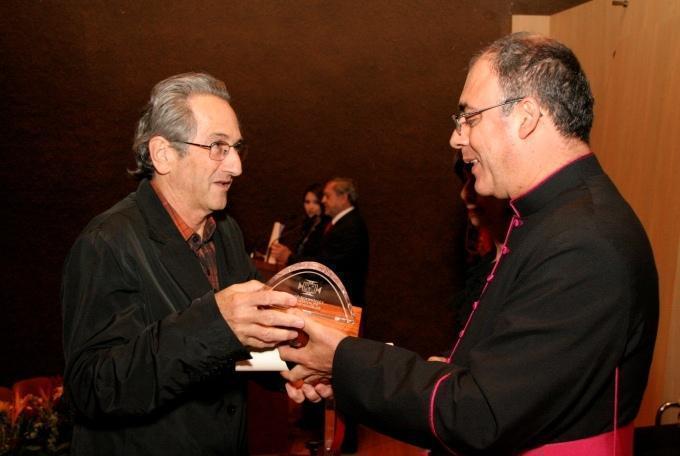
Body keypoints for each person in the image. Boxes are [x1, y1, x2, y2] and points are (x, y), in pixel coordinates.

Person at [279, 33, 659, 455]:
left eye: (469, 118)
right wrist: (348, 376)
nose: (456, 139)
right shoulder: (553, 217)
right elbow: (495, 374)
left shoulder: (585, 242)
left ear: (526, 116)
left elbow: (481, 413)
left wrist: (343, 360)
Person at [61, 72, 304, 455]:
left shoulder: (226, 233)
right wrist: (215, 323)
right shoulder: (107, 241)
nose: (237, 166)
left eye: (237, 147)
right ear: (163, 154)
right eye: (218, 147)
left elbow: (250, 337)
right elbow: (94, 387)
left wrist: (296, 370)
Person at [270, 183, 330, 263]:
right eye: (307, 202)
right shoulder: (306, 224)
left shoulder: (328, 226)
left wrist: (290, 257)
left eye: (316, 202)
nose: (310, 207)